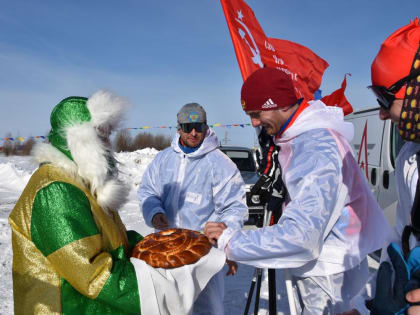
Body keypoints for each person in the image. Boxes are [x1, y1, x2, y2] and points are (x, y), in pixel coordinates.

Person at [204, 67, 391, 314]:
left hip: (329, 272)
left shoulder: (315, 148)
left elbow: (302, 236)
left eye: (257, 113)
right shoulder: (303, 138)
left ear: (280, 104)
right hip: (330, 263)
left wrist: (230, 240)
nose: (254, 122)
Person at [9, 91, 144, 314]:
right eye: (101, 136)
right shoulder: (55, 191)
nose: (108, 145)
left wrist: (148, 247)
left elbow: (110, 242)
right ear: (80, 141)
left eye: (108, 136)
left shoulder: (85, 184)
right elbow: (92, 274)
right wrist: (157, 287)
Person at [137, 102, 248, 314]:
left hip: (203, 252)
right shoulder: (163, 160)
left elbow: (234, 208)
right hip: (166, 248)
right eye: (188, 127)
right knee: (166, 304)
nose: (194, 133)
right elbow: (148, 191)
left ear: (207, 127)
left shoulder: (220, 164)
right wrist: (155, 212)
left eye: (199, 127)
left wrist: (228, 244)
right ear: (178, 128)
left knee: (205, 307)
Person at [343, 18, 420, 315]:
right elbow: (400, 241)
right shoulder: (409, 158)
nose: (382, 114)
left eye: (385, 99)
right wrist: (368, 306)